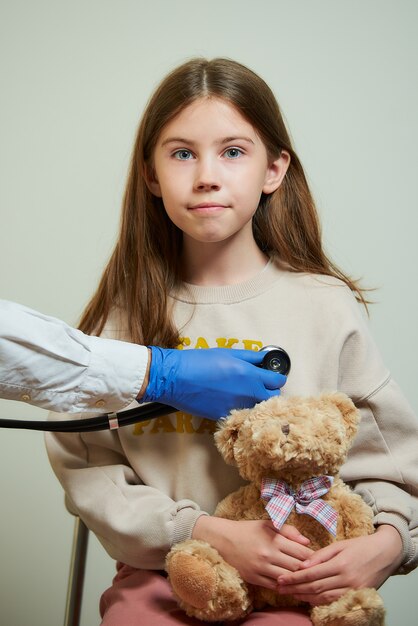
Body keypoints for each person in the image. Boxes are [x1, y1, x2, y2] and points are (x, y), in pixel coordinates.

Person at [45, 58, 418, 625]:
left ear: (274, 169)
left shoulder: (323, 305)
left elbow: (393, 464)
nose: (207, 176)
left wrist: (389, 541)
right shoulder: (120, 320)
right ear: (150, 174)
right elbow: (88, 469)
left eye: (233, 151)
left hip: (294, 579)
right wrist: (198, 530)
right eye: (182, 153)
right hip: (166, 575)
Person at [0, 299, 284, 418]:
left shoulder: (325, 304)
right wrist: (159, 374)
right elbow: (81, 454)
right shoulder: (120, 309)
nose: (207, 179)